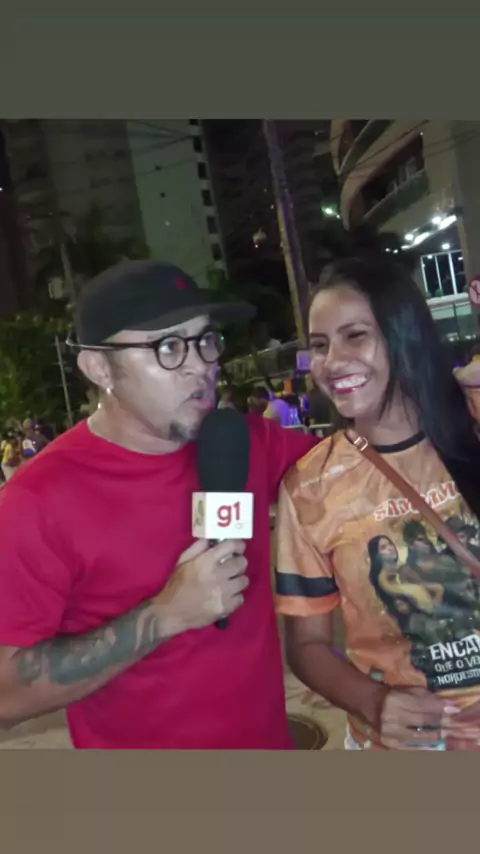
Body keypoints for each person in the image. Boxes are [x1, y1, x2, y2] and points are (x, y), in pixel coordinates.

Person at [0, 260, 316, 750]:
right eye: (167, 347)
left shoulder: (243, 441)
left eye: (205, 340)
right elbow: (6, 694)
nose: (200, 366)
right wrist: (167, 614)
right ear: (99, 368)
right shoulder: (36, 501)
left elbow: (357, 475)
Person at [275, 256, 480, 751]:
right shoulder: (311, 487)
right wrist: (374, 702)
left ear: (402, 335)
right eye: (319, 345)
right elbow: (307, 645)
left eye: (355, 336)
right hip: (411, 747)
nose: (332, 361)